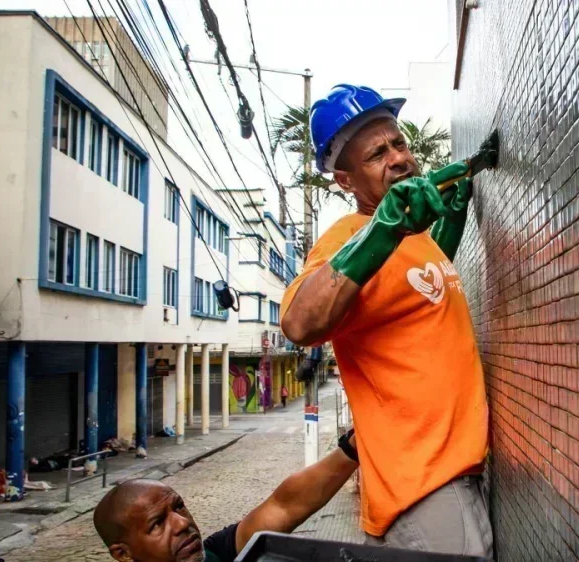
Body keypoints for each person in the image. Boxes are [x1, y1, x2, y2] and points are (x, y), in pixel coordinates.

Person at [280, 84, 492, 557]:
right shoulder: (348, 235)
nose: (397, 158)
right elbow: (299, 324)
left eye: (398, 144)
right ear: (345, 180)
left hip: (444, 477)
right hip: (423, 485)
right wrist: (383, 228)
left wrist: (450, 224)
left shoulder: (415, 234)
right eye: (376, 154)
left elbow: (409, 298)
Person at [93, 430, 359, 561]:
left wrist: (352, 448)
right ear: (123, 553)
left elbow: (285, 506)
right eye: (157, 524)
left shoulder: (217, 553)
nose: (182, 523)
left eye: (179, 507)